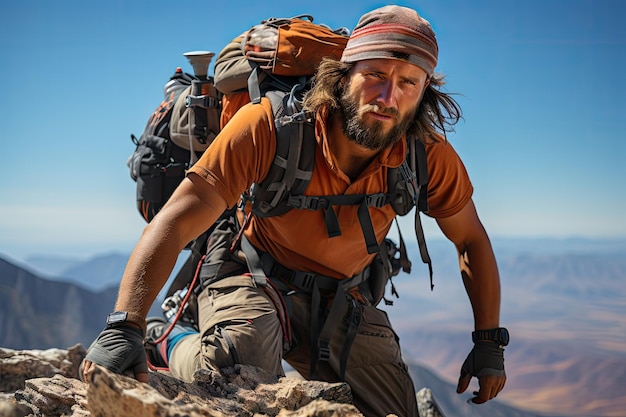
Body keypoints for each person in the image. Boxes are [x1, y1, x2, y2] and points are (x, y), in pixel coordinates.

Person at [81, 5, 507, 416]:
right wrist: (125, 326)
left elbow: (469, 238)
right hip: (253, 274)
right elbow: (175, 219)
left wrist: (489, 340)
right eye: (375, 75)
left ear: (423, 93)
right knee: (238, 377)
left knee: (395, 410)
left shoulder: (426, 154)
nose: (388, 96)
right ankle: (170, 340)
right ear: (343, 75)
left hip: (343, 293)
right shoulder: (271, 126)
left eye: (409, 83)